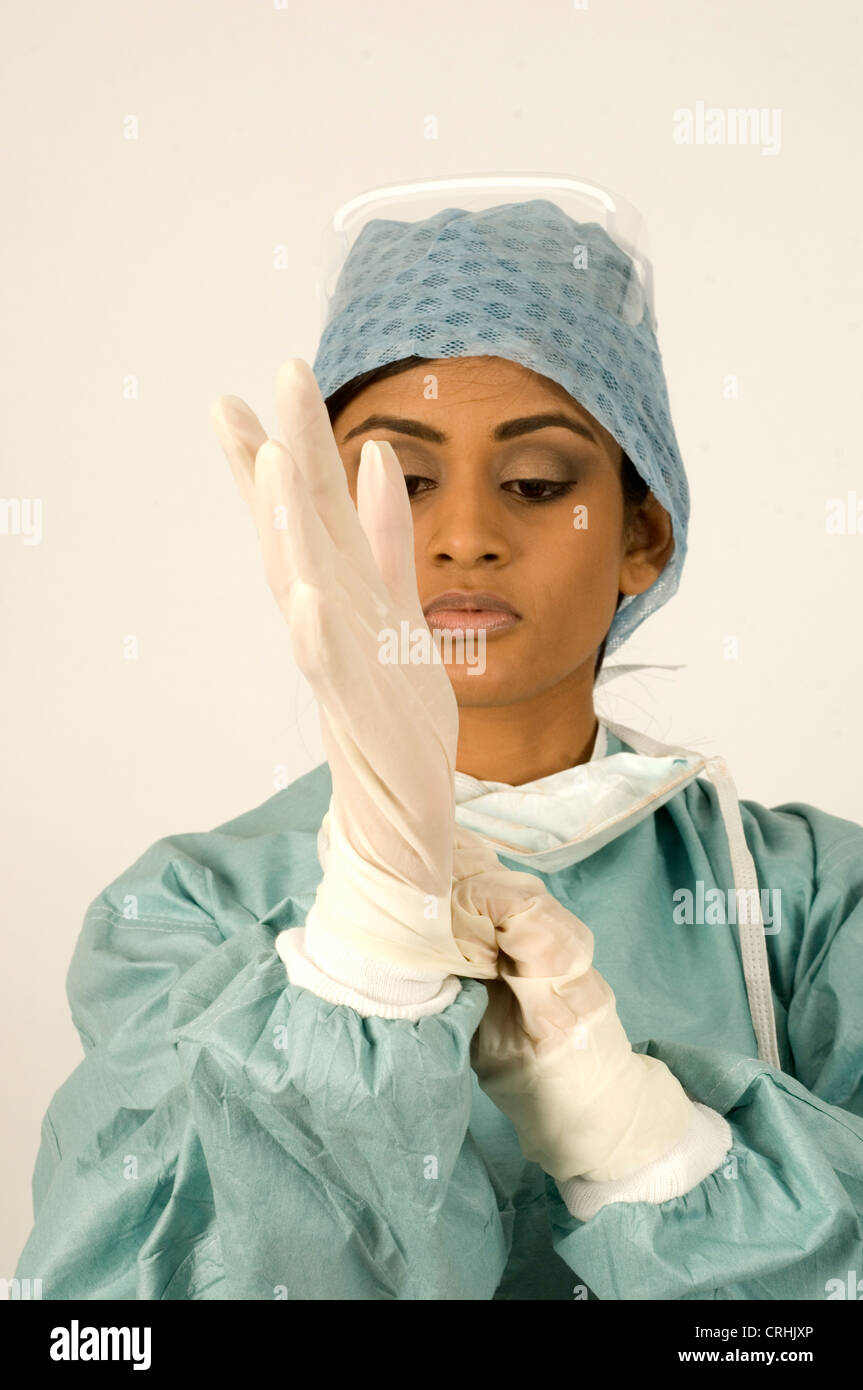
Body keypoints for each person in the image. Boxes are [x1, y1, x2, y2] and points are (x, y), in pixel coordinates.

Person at [15, 197, 863, 1301]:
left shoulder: (809, 906)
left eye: (536, 482)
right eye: (398, 483)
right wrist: (363, 947)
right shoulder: (184, 913)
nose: (463, 533)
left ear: (639, 534)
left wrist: (640, 1138)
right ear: (310, 525)